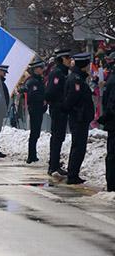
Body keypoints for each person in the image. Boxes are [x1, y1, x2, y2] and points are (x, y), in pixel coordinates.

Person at [61, 52, 95, 185]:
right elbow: (72, 98)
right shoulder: (76, 79)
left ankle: (73, 173)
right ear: (83, 65)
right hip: (79, 117)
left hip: (80, 117)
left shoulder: (77, 77)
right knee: (78, 147)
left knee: (78, 146)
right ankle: (73, 174)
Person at [45, 48, 72, 177]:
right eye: (68, 58)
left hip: (60, 108)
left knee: (59, 137)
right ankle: (53, 165)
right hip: (58, 109)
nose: (69, 61)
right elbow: (51, 92)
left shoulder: (62, 72)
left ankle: (54, 164)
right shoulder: (57, 73)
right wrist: (61, 103)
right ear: (62, 59)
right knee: (56, 137)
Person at [20, 59, 47, 163]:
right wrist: (43, 99)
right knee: (34, 133)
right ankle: (31, 155)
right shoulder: (33, 82)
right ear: (36, 69)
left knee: (36, 132)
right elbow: (33, 96)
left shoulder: (38, 80)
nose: (42, 70)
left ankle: (33, 154)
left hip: (38, 109)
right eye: (41, 68)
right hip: (35, 108)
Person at [100, 53, 115, 191]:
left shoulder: (111, 78)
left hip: (111, 122)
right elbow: (111, 104)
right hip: (113, 122)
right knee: (112, 154)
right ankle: (112, 184)